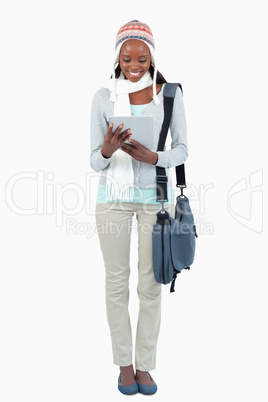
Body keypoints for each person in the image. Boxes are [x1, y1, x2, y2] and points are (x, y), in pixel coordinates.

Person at [90, 20, 188, 395]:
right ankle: (125, 366)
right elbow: (93, 161)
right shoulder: (102, 97)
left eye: (142, 58)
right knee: (117, 285)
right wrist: (107, 150)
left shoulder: (170, 95)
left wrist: (153, 157)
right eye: (127, 57)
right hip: (111, 200)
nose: (135, 64)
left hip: (155, 202)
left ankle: (145, 365)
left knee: (150, 286)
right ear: (118, 56)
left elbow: (182, 150)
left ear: (152, 57)